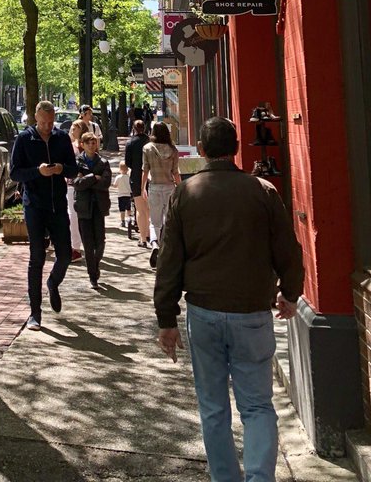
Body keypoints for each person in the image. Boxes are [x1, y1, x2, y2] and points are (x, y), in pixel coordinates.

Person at [154, 116, 304, 482]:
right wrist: (290, 293)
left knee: (213, 408)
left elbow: (170, 260)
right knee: (257, 406)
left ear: (202, 151)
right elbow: (288, 250)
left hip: (204, 312)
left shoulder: (185, 194)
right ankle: (259, 477)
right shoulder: (263, 191)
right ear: (236, 149)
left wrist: (167, 319)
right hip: (252, 311)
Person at [10, 99, 78, 330]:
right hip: (35, 205)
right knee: (36, 257)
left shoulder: (61, 138)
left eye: (51, 122)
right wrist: (37, 172)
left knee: (66, 254)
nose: (48, 127)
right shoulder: (24, 139)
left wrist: (62, 169)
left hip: (57, 204)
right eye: (43, 122)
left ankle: (53, 282)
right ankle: (35, 313)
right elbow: (14, 173)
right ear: (36, 119)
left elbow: (74, 168)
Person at [72, 131, 112, 289]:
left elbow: (106, 183)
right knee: (88, 244)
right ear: (82, 144)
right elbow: (77, 183)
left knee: (100, 243)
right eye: (88, 142)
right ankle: (92, 275)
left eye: (93, 142)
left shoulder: (103, 162)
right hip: (83, 207)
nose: (91, 145)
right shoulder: (77, 162)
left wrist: (86, 180)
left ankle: (95, 265)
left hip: (98, 206)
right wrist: (93, 178)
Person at [142, 120, 180, 267]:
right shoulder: (173, 149)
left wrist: (142, 188)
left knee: (154, 222)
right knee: (168, 220)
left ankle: (155, 245)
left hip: (155, 187)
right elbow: (175, 172)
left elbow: (145, 170)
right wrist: (180, 187)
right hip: (170, 186)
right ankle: (166, 249)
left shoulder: (147, 148)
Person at [124, 118, 151, 246]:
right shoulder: (150, 141)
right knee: (149, 208)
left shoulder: (131, 143)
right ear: (144, 128)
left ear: (134, 129)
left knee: (140, 209)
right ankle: (151, 235)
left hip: (136, 177)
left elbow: (127, 162)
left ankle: (143, 238)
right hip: (151, 177)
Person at [67, 120, 86, 259]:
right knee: (72, 216)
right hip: (70, 184)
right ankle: (74, 246)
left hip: (82, 185)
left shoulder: (86, 146)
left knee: (77, 217)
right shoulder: (70, 145)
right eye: (72, 127)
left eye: (76, 127)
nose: (72, 129)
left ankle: (78, 247)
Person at [113, 160, 132, 228]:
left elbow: (115, 185)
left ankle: (123, 221)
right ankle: (130, 219)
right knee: (129, 208)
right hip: (128, 195)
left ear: (120, 169)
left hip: (121, 195)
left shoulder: (118, 177)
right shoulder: (129, 177)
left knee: (122, 210)